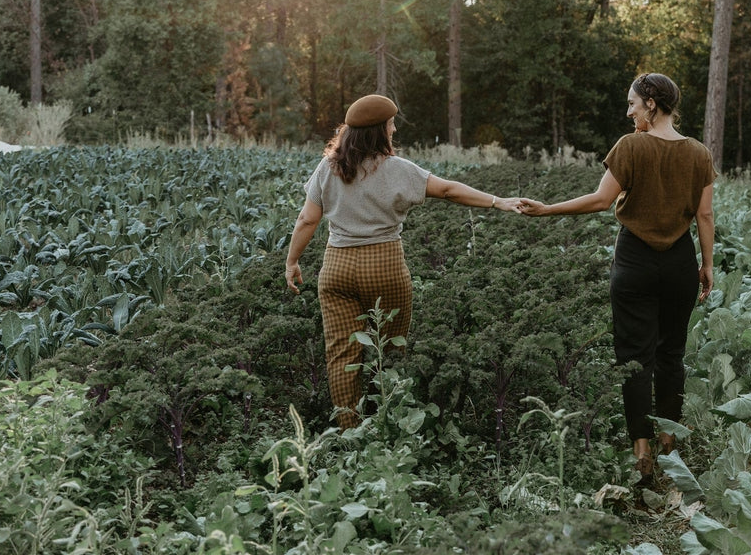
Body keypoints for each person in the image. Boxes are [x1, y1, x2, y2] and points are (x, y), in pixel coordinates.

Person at [519, 73, 714, 483]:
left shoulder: (630, 146)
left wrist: (547, 209)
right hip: (680, 261)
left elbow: (601, 201)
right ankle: (668, 443)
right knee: (671, 355)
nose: (629, 113)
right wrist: (707, 265)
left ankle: (640, 453)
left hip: (635, 262)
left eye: (632, 104)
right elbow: (705, 215)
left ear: (651, 104)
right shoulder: (699, 153)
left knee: (634, 358)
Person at [285, 94, 521, 429]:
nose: (394, 128)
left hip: (336, 268)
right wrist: (498, 201)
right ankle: (388, 422)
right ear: (379, 131)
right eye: (391, 123)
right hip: (384, 266)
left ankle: (348, 432)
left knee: (341, 355)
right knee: (392, 349)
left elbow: (307, 220)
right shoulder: (398, 170)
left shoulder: (328, 167)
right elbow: (450, 191)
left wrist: (292, 262)